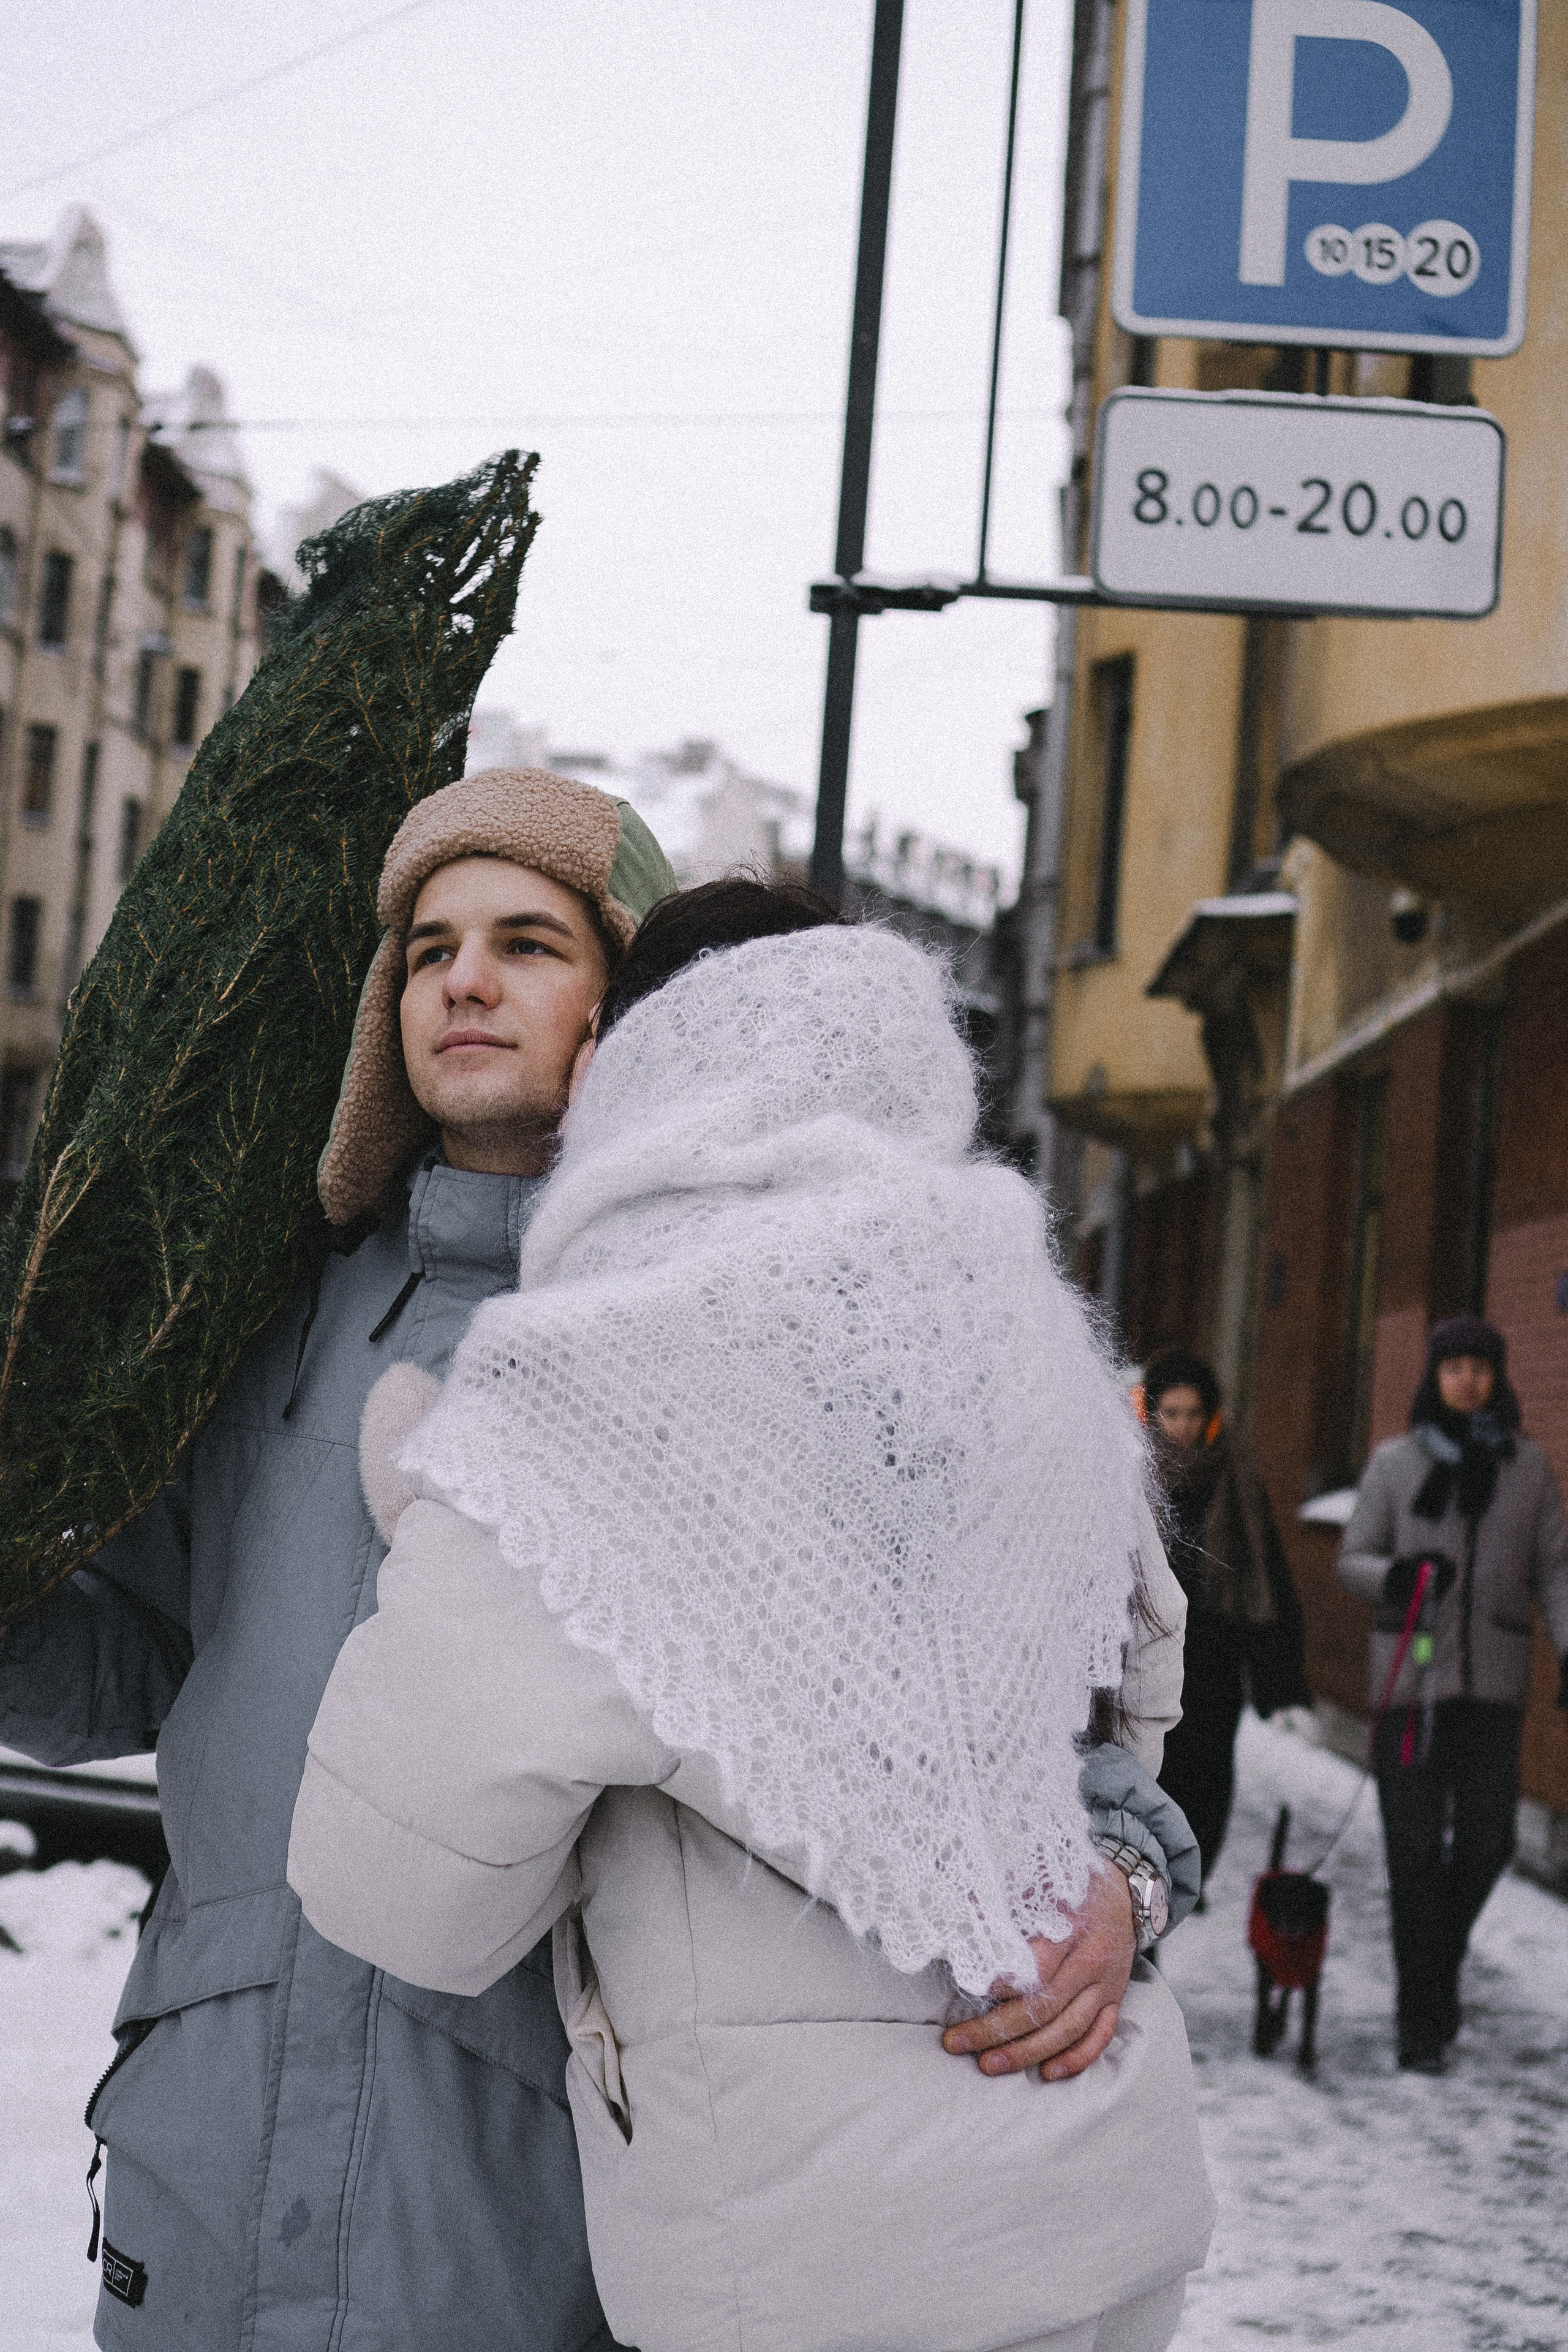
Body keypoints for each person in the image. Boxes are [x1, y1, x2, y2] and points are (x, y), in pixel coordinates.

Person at [0, 837, 1194, 2350]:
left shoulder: (748, 1339)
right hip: (214, 2147)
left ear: (624, 1017)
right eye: (426, 950)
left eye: (527, 943)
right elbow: (143, 1657)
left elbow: (1046, 1716)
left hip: (535, 2195)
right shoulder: (257, 1321)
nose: (466, 983)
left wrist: (1121, 1871)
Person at [1338, 1313, 1568, 2072]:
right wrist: (1396, 1576)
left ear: (1496, 1378)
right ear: (1433, 1379)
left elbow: (1554, 1569)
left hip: (1493, 1690)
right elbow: (1353, 1558)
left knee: (1486, 1844)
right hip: (1412, 1689)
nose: (1467, 1381)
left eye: (1479, 1368)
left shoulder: (1527, 1469)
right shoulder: (1394, 1464)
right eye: (1453, 1368)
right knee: (1412, 1856)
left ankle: (1434, 1971)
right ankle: (1421, 2021)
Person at [1141, 1349, 1313, 1889]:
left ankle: (1186, 1879)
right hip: (1146, 1654)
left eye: (1194, 1413)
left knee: (1207, 1783)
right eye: (1172, 1413)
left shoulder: (1234, 1473)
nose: (1183, 1426)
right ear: (1152, 1413)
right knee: (1148, 1777)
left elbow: (1267, 1572)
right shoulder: (1130, 1475)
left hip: (1214, 1659)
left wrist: (1279, 1673)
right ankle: (1148, 1886)